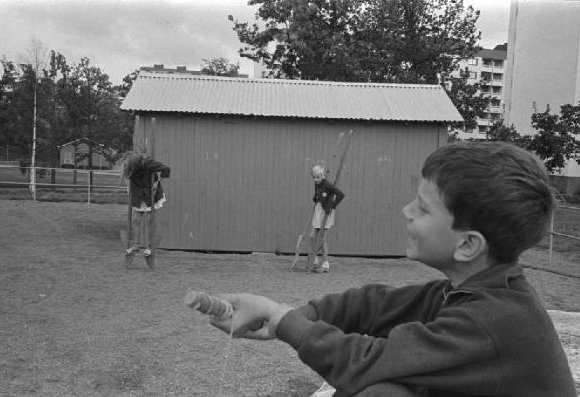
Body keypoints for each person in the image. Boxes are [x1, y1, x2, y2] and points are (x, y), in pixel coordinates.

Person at [210, 142, 577, 397]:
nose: (406, 211)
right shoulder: (471, 291)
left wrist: (282, 319)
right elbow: (375, 304)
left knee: (383, 390)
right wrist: (294, 317)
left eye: (422, 208)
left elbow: (370, 362)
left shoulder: (493, 320)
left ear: (467, 245)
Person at [122, 151, 170, 258]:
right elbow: (127, 178)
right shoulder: (128, 166)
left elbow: (166, 169)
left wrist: (157, 182)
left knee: (150, 219)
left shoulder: (148, 163)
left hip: (150, 193)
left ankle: (150, 246)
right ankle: (136, 245)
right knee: (136, 219)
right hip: (138, 194)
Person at [308, 165, 345, 273]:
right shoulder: (317, 183)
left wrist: (332, 205)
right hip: (318, 210)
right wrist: (316, 198)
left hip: (325, 213)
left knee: (321, 238)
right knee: (312, 236)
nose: (316, 179)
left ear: (322, 175)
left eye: (318, 177)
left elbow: (341, 195)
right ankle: (315, 259)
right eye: (314, 177)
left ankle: (325, 263)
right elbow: (317, 194)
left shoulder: (327, 184)